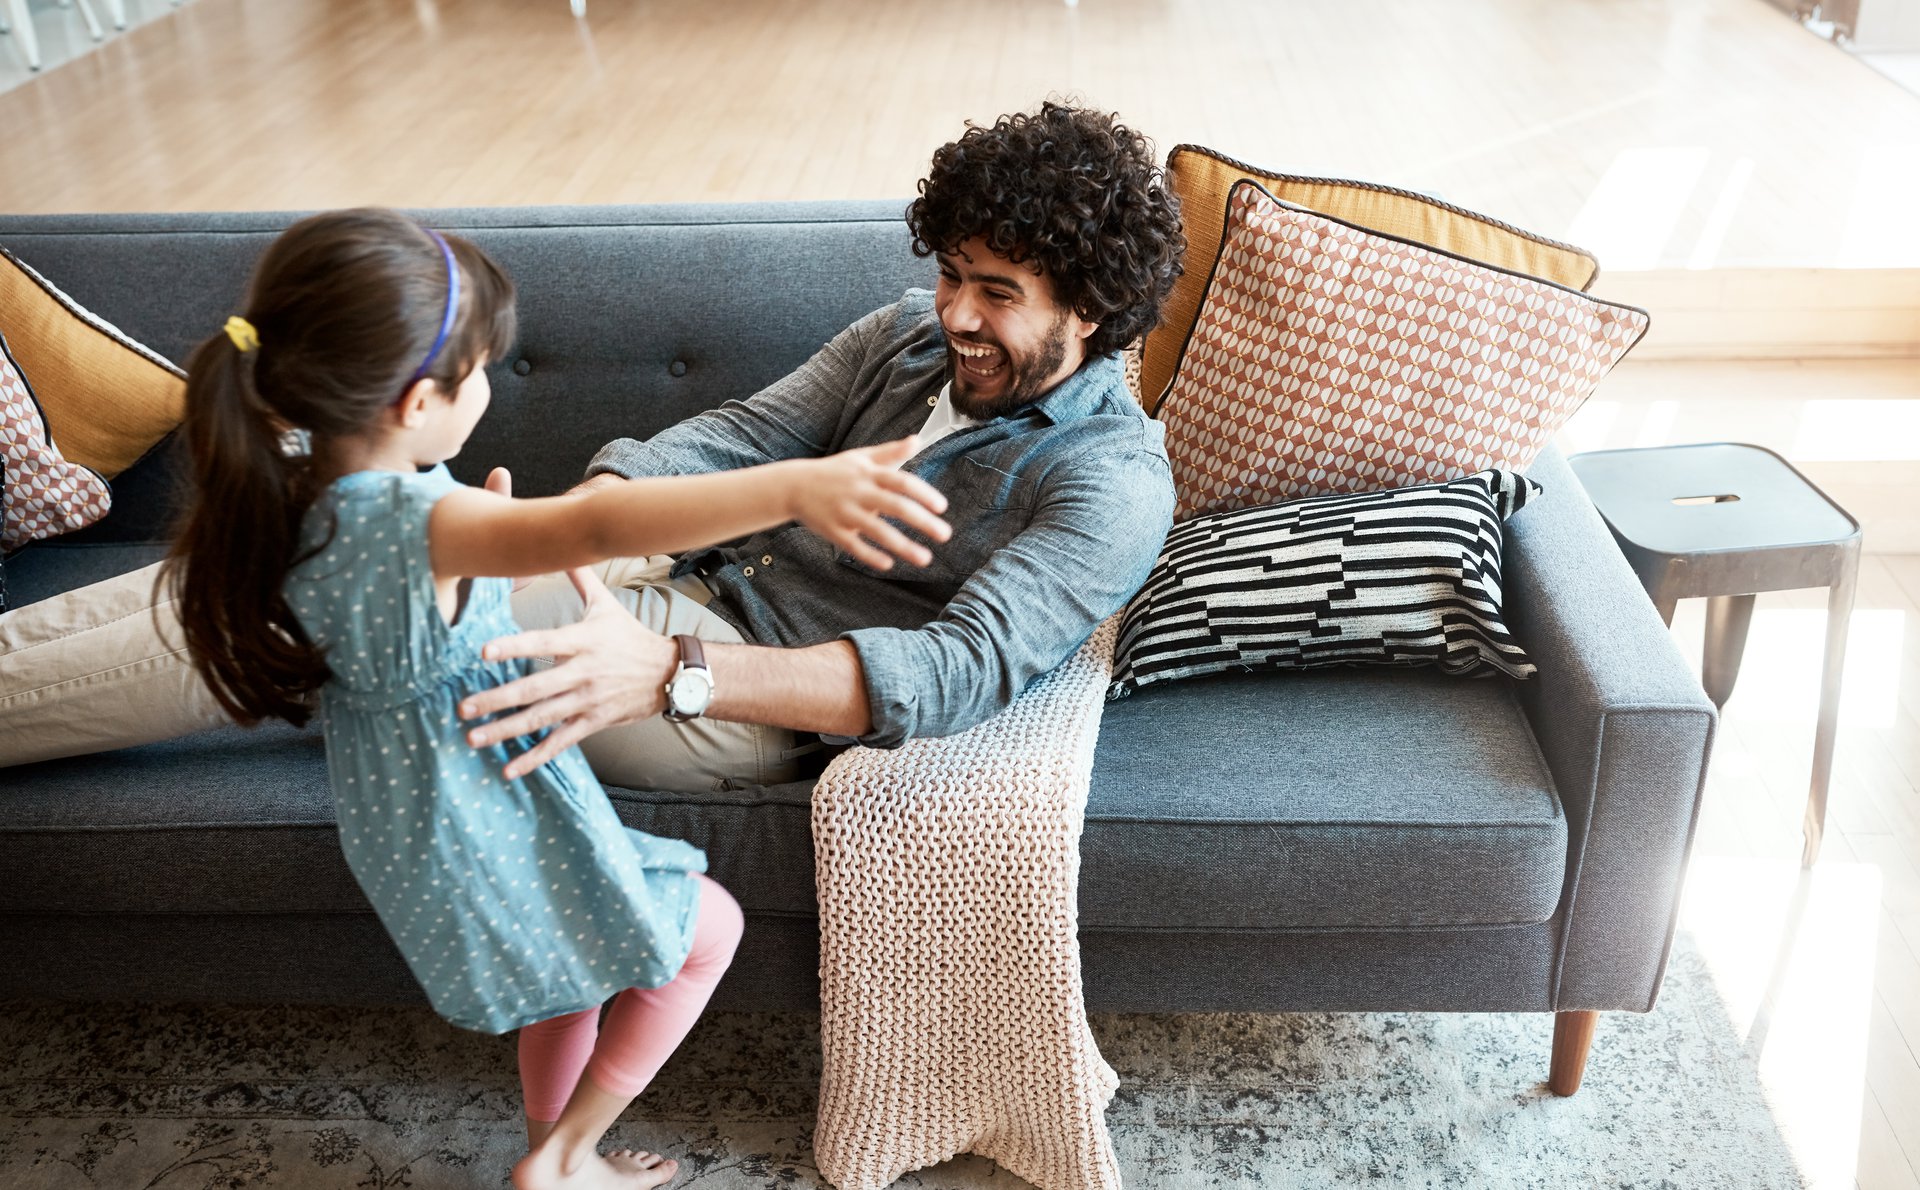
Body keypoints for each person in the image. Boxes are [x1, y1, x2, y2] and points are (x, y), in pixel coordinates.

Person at [0, 101, 1184, 796]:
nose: (955, 313)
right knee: (310, 550)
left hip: (744, 683)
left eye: (998, 293)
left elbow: (955, 672)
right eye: (951, 274)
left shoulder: (1111, 480)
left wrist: (671, 671)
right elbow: (739, 436)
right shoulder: (901, 337)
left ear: (1090, 308)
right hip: (665, 577)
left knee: (353, 599)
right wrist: (580, 524)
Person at [160, 208, 949, 1190]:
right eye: (479, 370)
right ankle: (569, 1155)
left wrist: (480, 553)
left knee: (568, 977)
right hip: (478, 810)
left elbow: (408, 615)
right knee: (708, 933)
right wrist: (794, 488)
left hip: (408, 814)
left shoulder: (290, 487)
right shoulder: (420, 520)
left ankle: (551, 1148)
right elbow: (601, 522)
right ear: (415, 402)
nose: (488, 384)